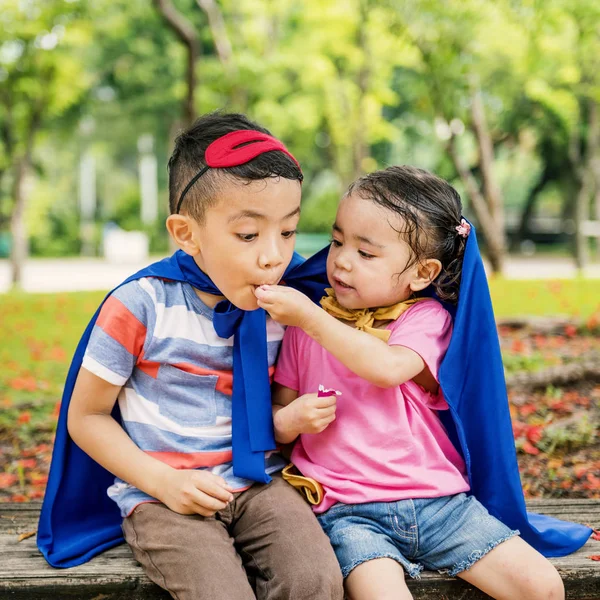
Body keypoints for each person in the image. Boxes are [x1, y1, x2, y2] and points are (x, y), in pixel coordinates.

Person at [37, 112, 343, 600]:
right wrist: (161, 482)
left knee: (317, 580)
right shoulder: (141, 305)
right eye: (248, 235)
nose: (273, 256)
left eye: (287, 232)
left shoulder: (290, 304)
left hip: (261, 483)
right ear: (186, 233)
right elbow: (87, 416)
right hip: (166, 496)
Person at [254, 166, 590, 600]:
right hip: (349, 513)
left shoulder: (424, 321)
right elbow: (277, 424)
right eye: (337, 241)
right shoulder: (304, 330)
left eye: (367, 253)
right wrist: (291, 421)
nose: (341, 260)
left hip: (440, 504)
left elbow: (387, 367)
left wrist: (310, 317)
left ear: (422, 273)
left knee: (541, 587)